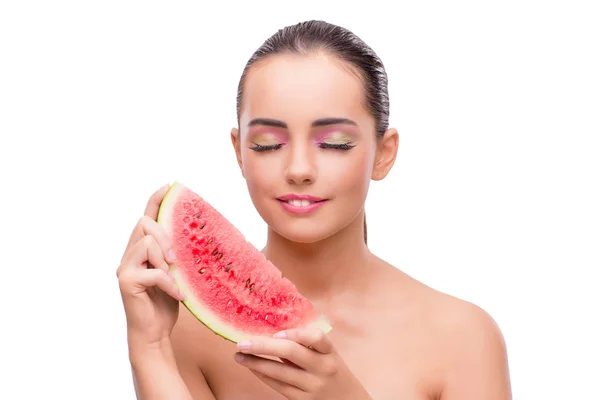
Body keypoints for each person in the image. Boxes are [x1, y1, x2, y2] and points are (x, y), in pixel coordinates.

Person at [116, 20, 512, 399]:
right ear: (239, 153)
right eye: (267, 144)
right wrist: (149, 349)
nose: (299, 170)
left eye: (335, 143)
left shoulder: (463, 338)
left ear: (383, 155)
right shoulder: (186, 333)